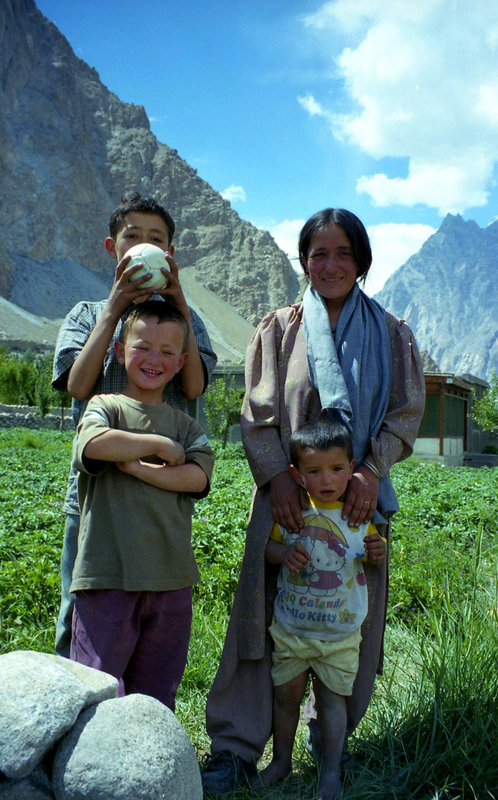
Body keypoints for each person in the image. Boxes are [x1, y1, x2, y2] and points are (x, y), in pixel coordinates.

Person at [201, 207, 425, 794]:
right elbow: (258, 413)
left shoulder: (392, 333)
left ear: (362, 262)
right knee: (262, 614)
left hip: (356, 504)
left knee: (350, 620)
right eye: (318, 253)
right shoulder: (278, 328)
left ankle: (333, 743)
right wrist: (277, 477)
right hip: (285, 500)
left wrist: (371, 472)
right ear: (304, 260)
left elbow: (406, 413)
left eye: (343, 254)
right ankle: (239, 744)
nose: (329, 265)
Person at [52, 193, 217, 657]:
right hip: (93, 498)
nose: (144, 244)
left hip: (161, 496)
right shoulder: (86, 313)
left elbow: (194, 386)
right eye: (133, 237)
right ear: (113, 248)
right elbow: (77, 387)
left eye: (157, 239)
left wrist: (180, 303)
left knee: (150, 614)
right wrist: (113, 309)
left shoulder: (186, 320)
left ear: (170, 254)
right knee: (79, 612)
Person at [70, 300, 215, 710]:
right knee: (96, 689)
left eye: (167, 352)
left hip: (171, 581)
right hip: (107, 575)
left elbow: (197, 477)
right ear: (120, 351)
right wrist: (158, 446)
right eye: (142, 347)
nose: (154, 360)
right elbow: (94, 444)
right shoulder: (105, 407)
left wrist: (134, 468)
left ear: (181, 361)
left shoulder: (187, 425)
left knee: (156, 695)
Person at [255, 420, 386, 799]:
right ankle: (281, 761)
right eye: (314, 471)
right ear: (297, 475)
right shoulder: (293, 513)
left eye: (336, 469)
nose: (327, 479)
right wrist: (283, 553)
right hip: (291, 631)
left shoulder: (360, 517)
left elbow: (375, 552)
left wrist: (379, 552)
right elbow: (267, 549)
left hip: (341, 635)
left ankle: (329, 770)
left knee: (332, 702)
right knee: (286, 698)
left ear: (352, 469)